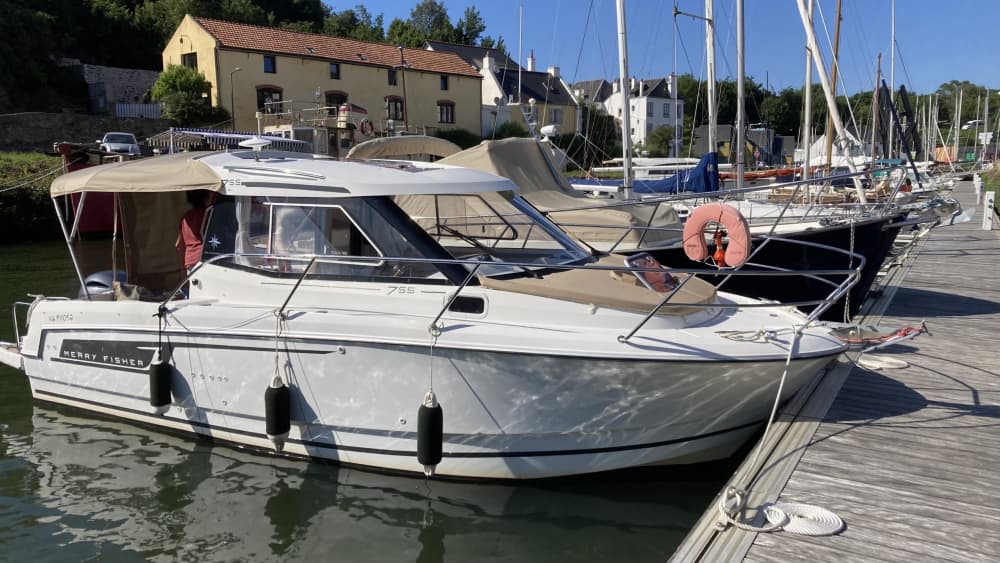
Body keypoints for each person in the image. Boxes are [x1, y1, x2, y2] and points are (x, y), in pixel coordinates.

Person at [176, 189, 215, 273]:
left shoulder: (185, 217)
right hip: (204, 259)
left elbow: (179, 245)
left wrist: (182, 271)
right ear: (207, 196)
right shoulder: (209, 213)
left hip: (190, 261)